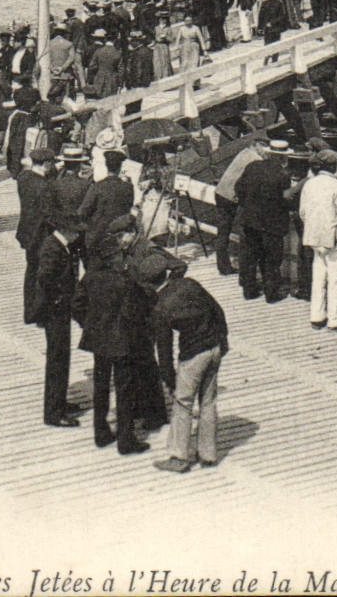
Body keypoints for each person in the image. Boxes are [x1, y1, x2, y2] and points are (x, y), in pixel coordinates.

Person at [73, 215, 152, 455]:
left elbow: (76, 304)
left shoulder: (91, 277)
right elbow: (136, 310)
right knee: (124, 390)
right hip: (123, 342)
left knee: (101, 387)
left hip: (98, 340)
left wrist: (89, 324)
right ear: (115, 258)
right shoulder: (125, 281)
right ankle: (126, 440)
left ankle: (100, 432)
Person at [148, 252, 229, 473]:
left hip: (193, 355)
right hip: (214, 347)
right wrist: (223, 341)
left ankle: (179, 456)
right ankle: (208, 454)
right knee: (208, 401)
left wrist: (170, 380)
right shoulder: (190, 284)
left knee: (183, 404)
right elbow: (217, 311)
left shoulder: (160, 307)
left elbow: (164, 350)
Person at [34, 215, 83, 428]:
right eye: (76, 232)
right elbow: (45, 279)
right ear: (66, 231)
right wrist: (59, 300)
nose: (79, 235)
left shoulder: (62, 245)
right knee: (57, 360)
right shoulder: (52, 248)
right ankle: (53, 413)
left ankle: (60, 401)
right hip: (55, 312)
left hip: (60, 310)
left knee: (63, 357)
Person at [236, 139, 297, 303]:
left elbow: (239, 188)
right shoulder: (283, 175)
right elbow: (285, 201)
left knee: (250, 257)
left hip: (250, 221)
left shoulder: (253, 166)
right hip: (272, 225)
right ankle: (271, 294)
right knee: (271, 260)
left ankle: (249, 291)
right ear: (283, 158)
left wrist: (248, 206)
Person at [301, 149, 337, 329]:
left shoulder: (309, 184)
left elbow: (303, 213)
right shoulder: (336, 185)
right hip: (332, 238)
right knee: (336, 279)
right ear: (334, 166)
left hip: (313, 237)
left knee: (318, 278)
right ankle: (335, 320)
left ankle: (316, 316)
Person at [211, 137, 263, 278]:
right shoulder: (255, 159)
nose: (264, 150)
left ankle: (223, 266)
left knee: (223, 232)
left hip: (220, 193)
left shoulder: (243, 152)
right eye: (262, 146)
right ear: (256, 145)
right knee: (243, 232)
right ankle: (245, 267)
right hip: (231, 197)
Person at [17, 148, 55, 325]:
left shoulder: (23, 178)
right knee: (44, 273)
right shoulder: (44, 187)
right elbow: (49, 214)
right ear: (47, 164)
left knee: (31, 271)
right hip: (41, 235)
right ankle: (41, 314)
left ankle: (29, 312)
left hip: (26, 232)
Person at [78, 149, 134, 263]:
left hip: (97, 238)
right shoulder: (128, 187)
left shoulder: (97, 187)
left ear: (106, 166)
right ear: (120, 168)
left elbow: (83, 211)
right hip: (118, 239)